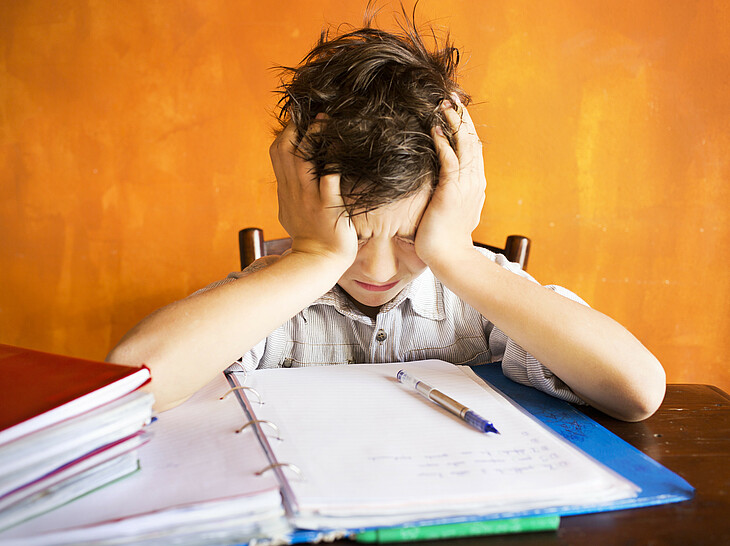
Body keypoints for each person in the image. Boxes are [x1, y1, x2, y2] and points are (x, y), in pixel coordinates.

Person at [107, 14, 665, 421]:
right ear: (302, 208)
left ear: (451, 212)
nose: (376, 267)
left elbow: (638, 392)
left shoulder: (479, 298)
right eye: (351, 234)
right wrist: (314, 258)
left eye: (409, 235)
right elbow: (130, 383)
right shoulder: (276, 296)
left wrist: (456, 255)